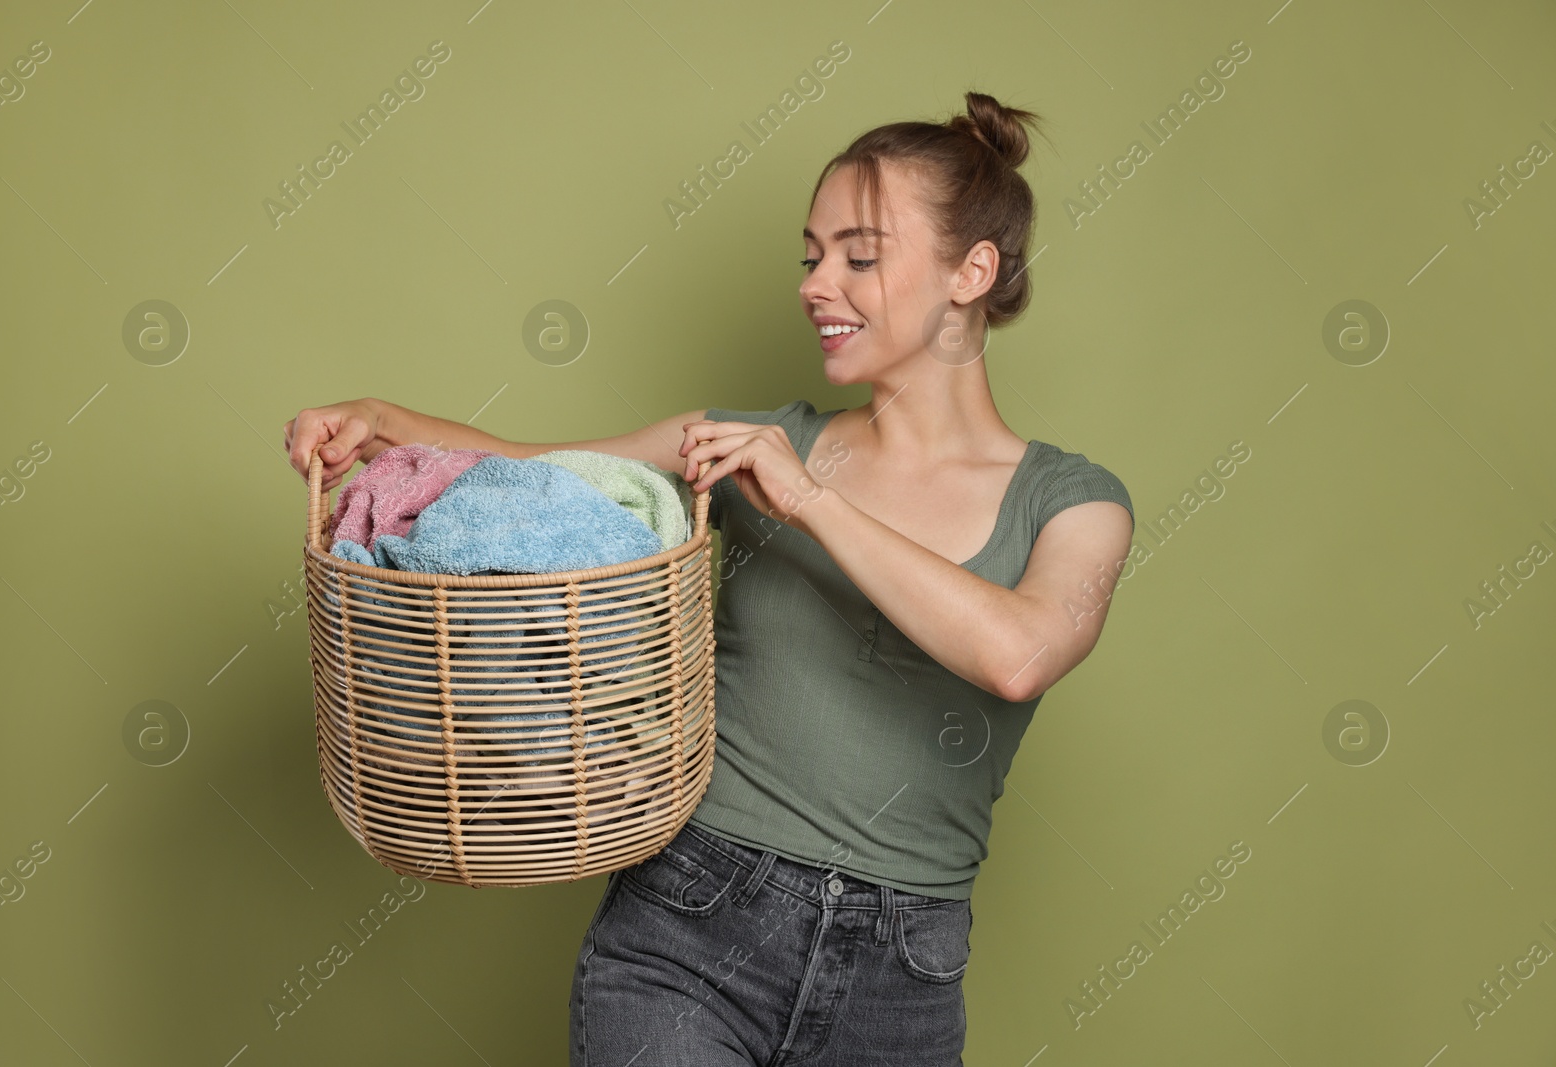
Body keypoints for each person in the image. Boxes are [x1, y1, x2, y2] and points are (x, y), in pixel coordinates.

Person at [283, 90, 1134, 1066]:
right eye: (810, 256)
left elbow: (1017, 652)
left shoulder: (1074, 500)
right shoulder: (757, 444)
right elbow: (535, 470)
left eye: (860, 255)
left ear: (970, 271)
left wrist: (810, 501)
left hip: (901, 973)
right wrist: (378, 420)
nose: (818, 283)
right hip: (687, 926)